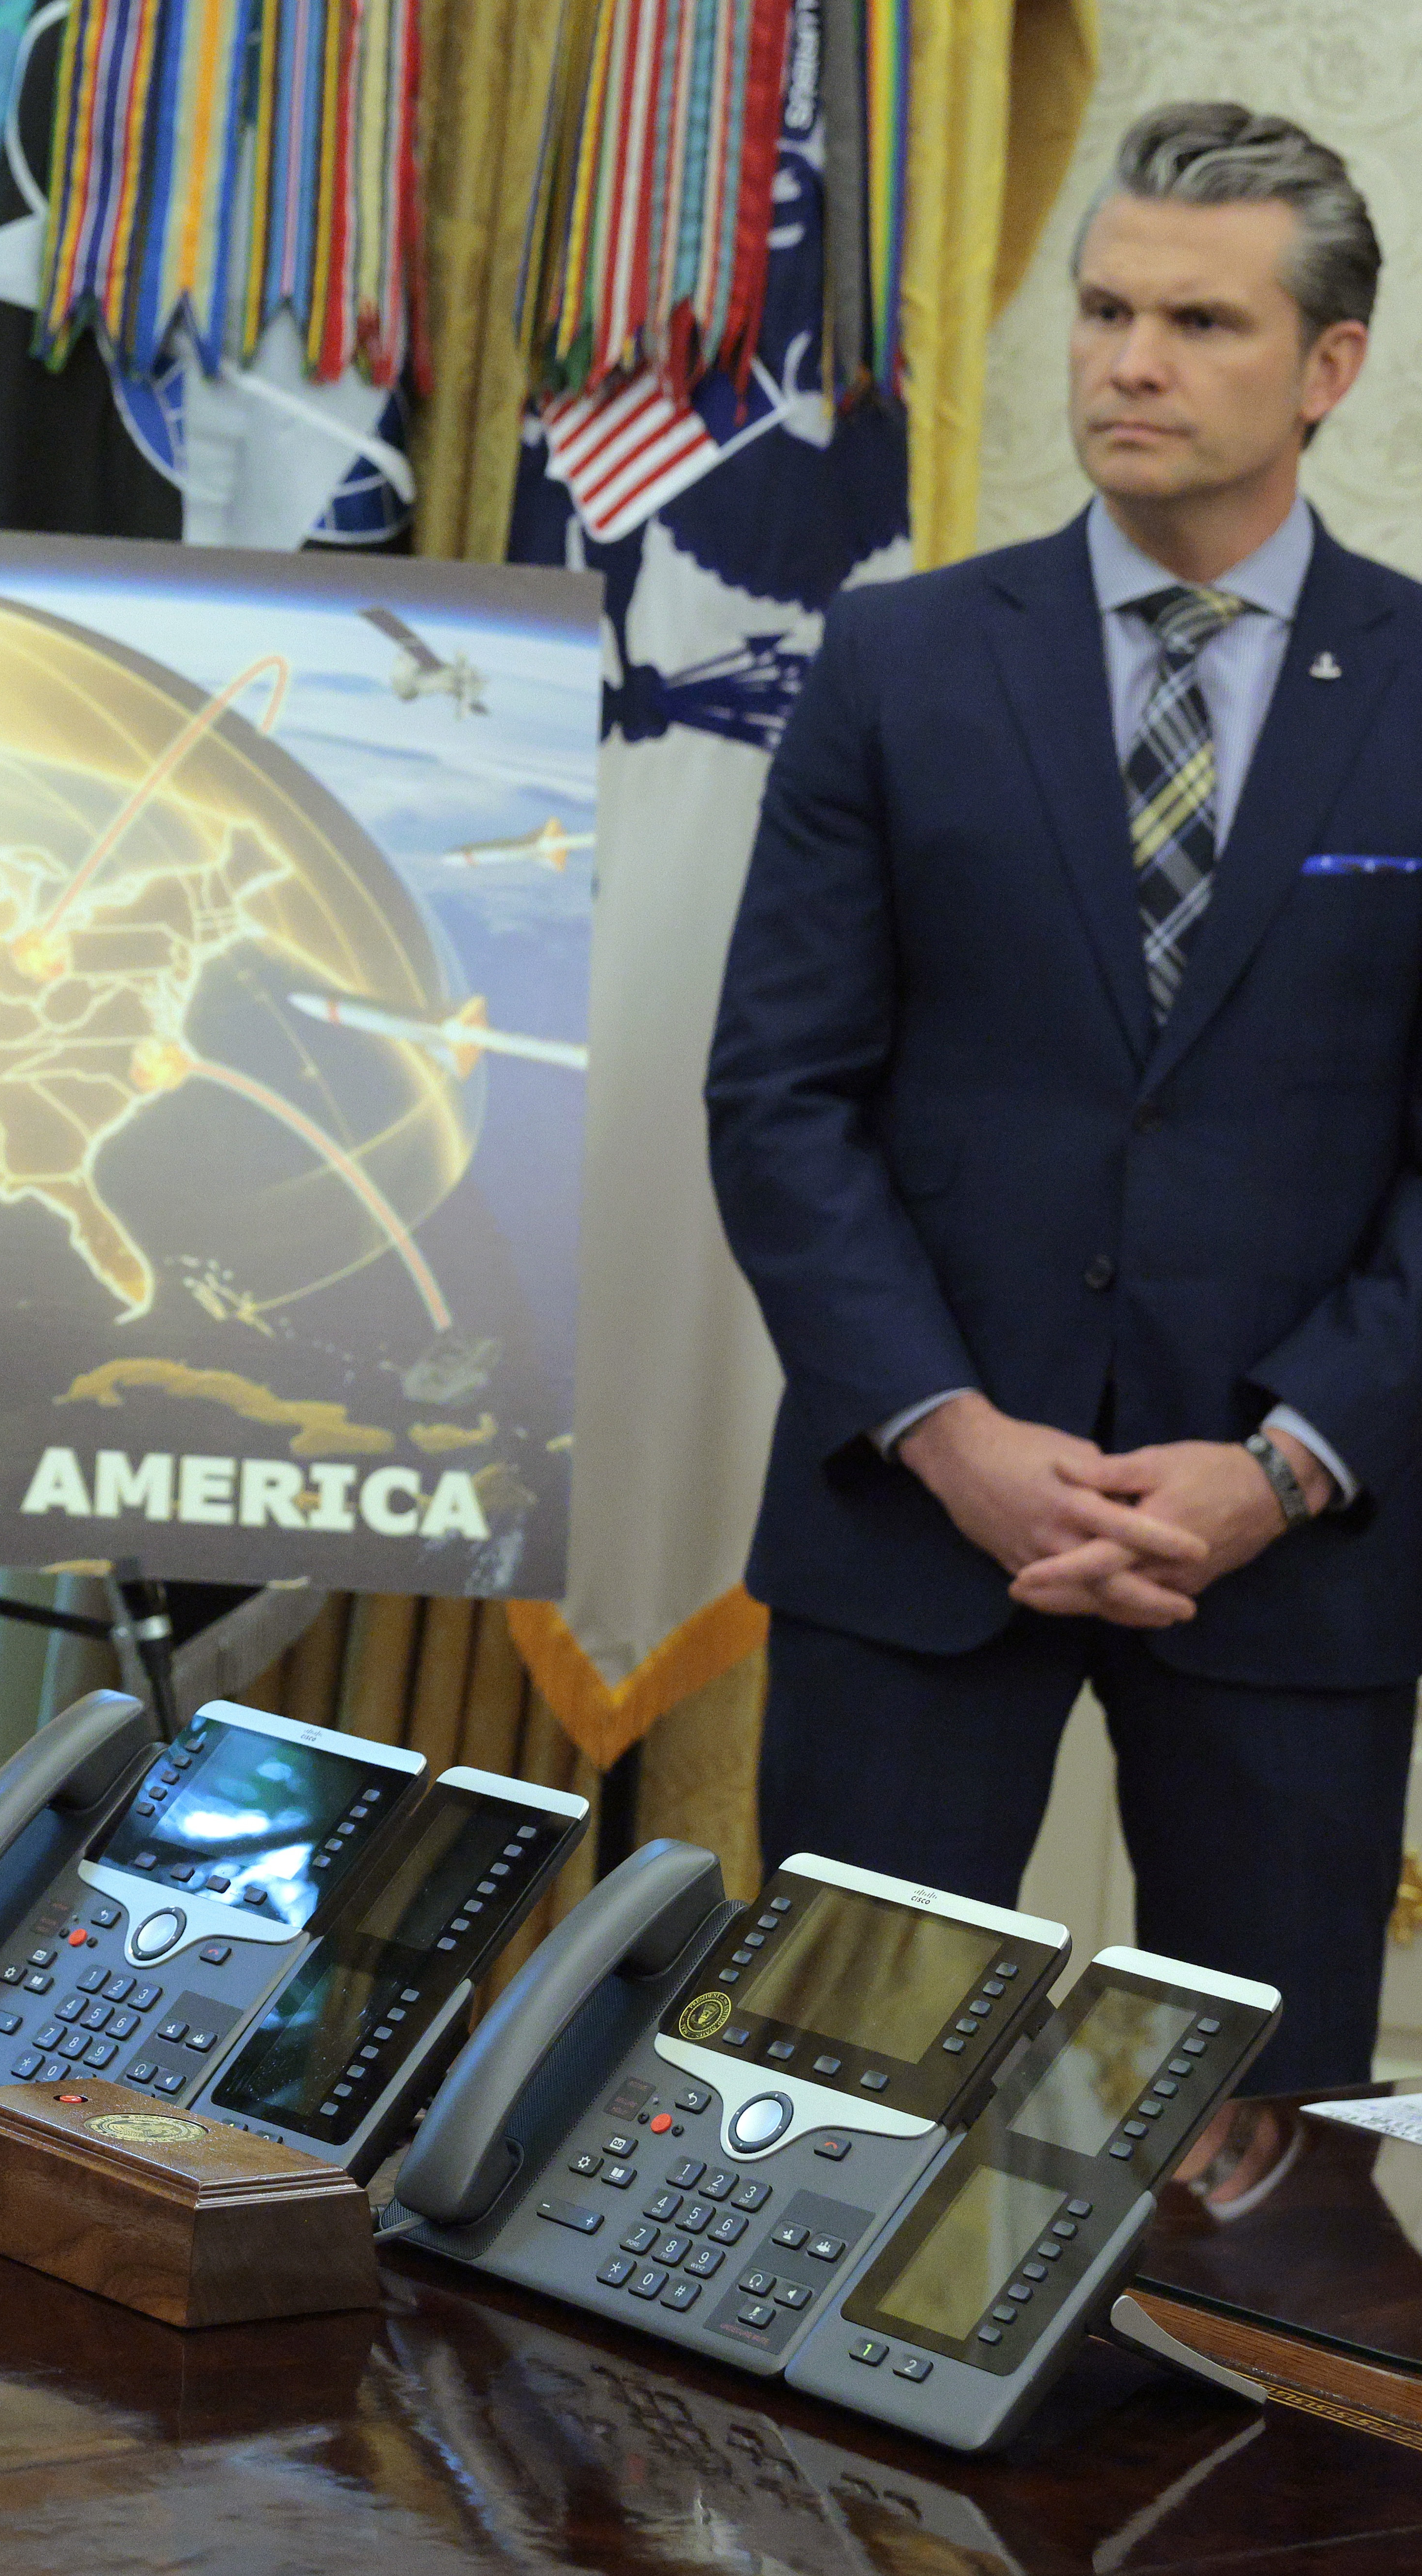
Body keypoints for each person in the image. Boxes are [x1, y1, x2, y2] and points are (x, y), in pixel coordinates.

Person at [707, 101, 1421, 2092]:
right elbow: (779, 1094)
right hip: (914, 1535)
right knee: (817, 2114)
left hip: (1294, 1564)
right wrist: (946, 1433)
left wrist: (1274, 1466)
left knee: (1259, 2183)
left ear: (1325, 366)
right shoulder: (896, 658)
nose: (1126, 359)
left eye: (1195, 320)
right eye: (1103, 309)